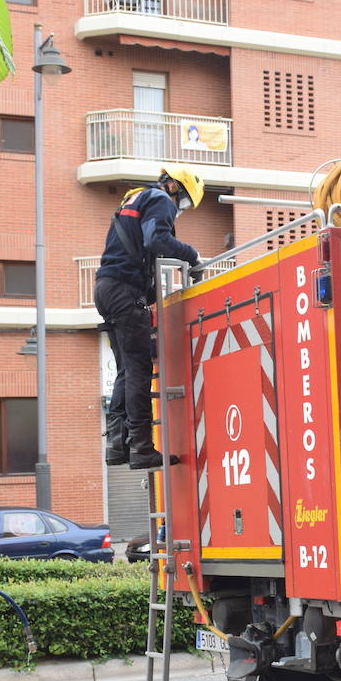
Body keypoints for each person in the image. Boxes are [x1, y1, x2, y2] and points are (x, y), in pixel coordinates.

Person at [96, 164, 205, 469]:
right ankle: (142, 447)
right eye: (183, 203)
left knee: (126, 370)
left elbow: (139, 250)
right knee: (140, 369)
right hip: (124, 291)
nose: (179, 210)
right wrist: (193, 256)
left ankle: (117, 445)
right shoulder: (158, 199)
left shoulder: (134, 199)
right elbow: (156, 240)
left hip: (106, 288)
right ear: (175, 188)